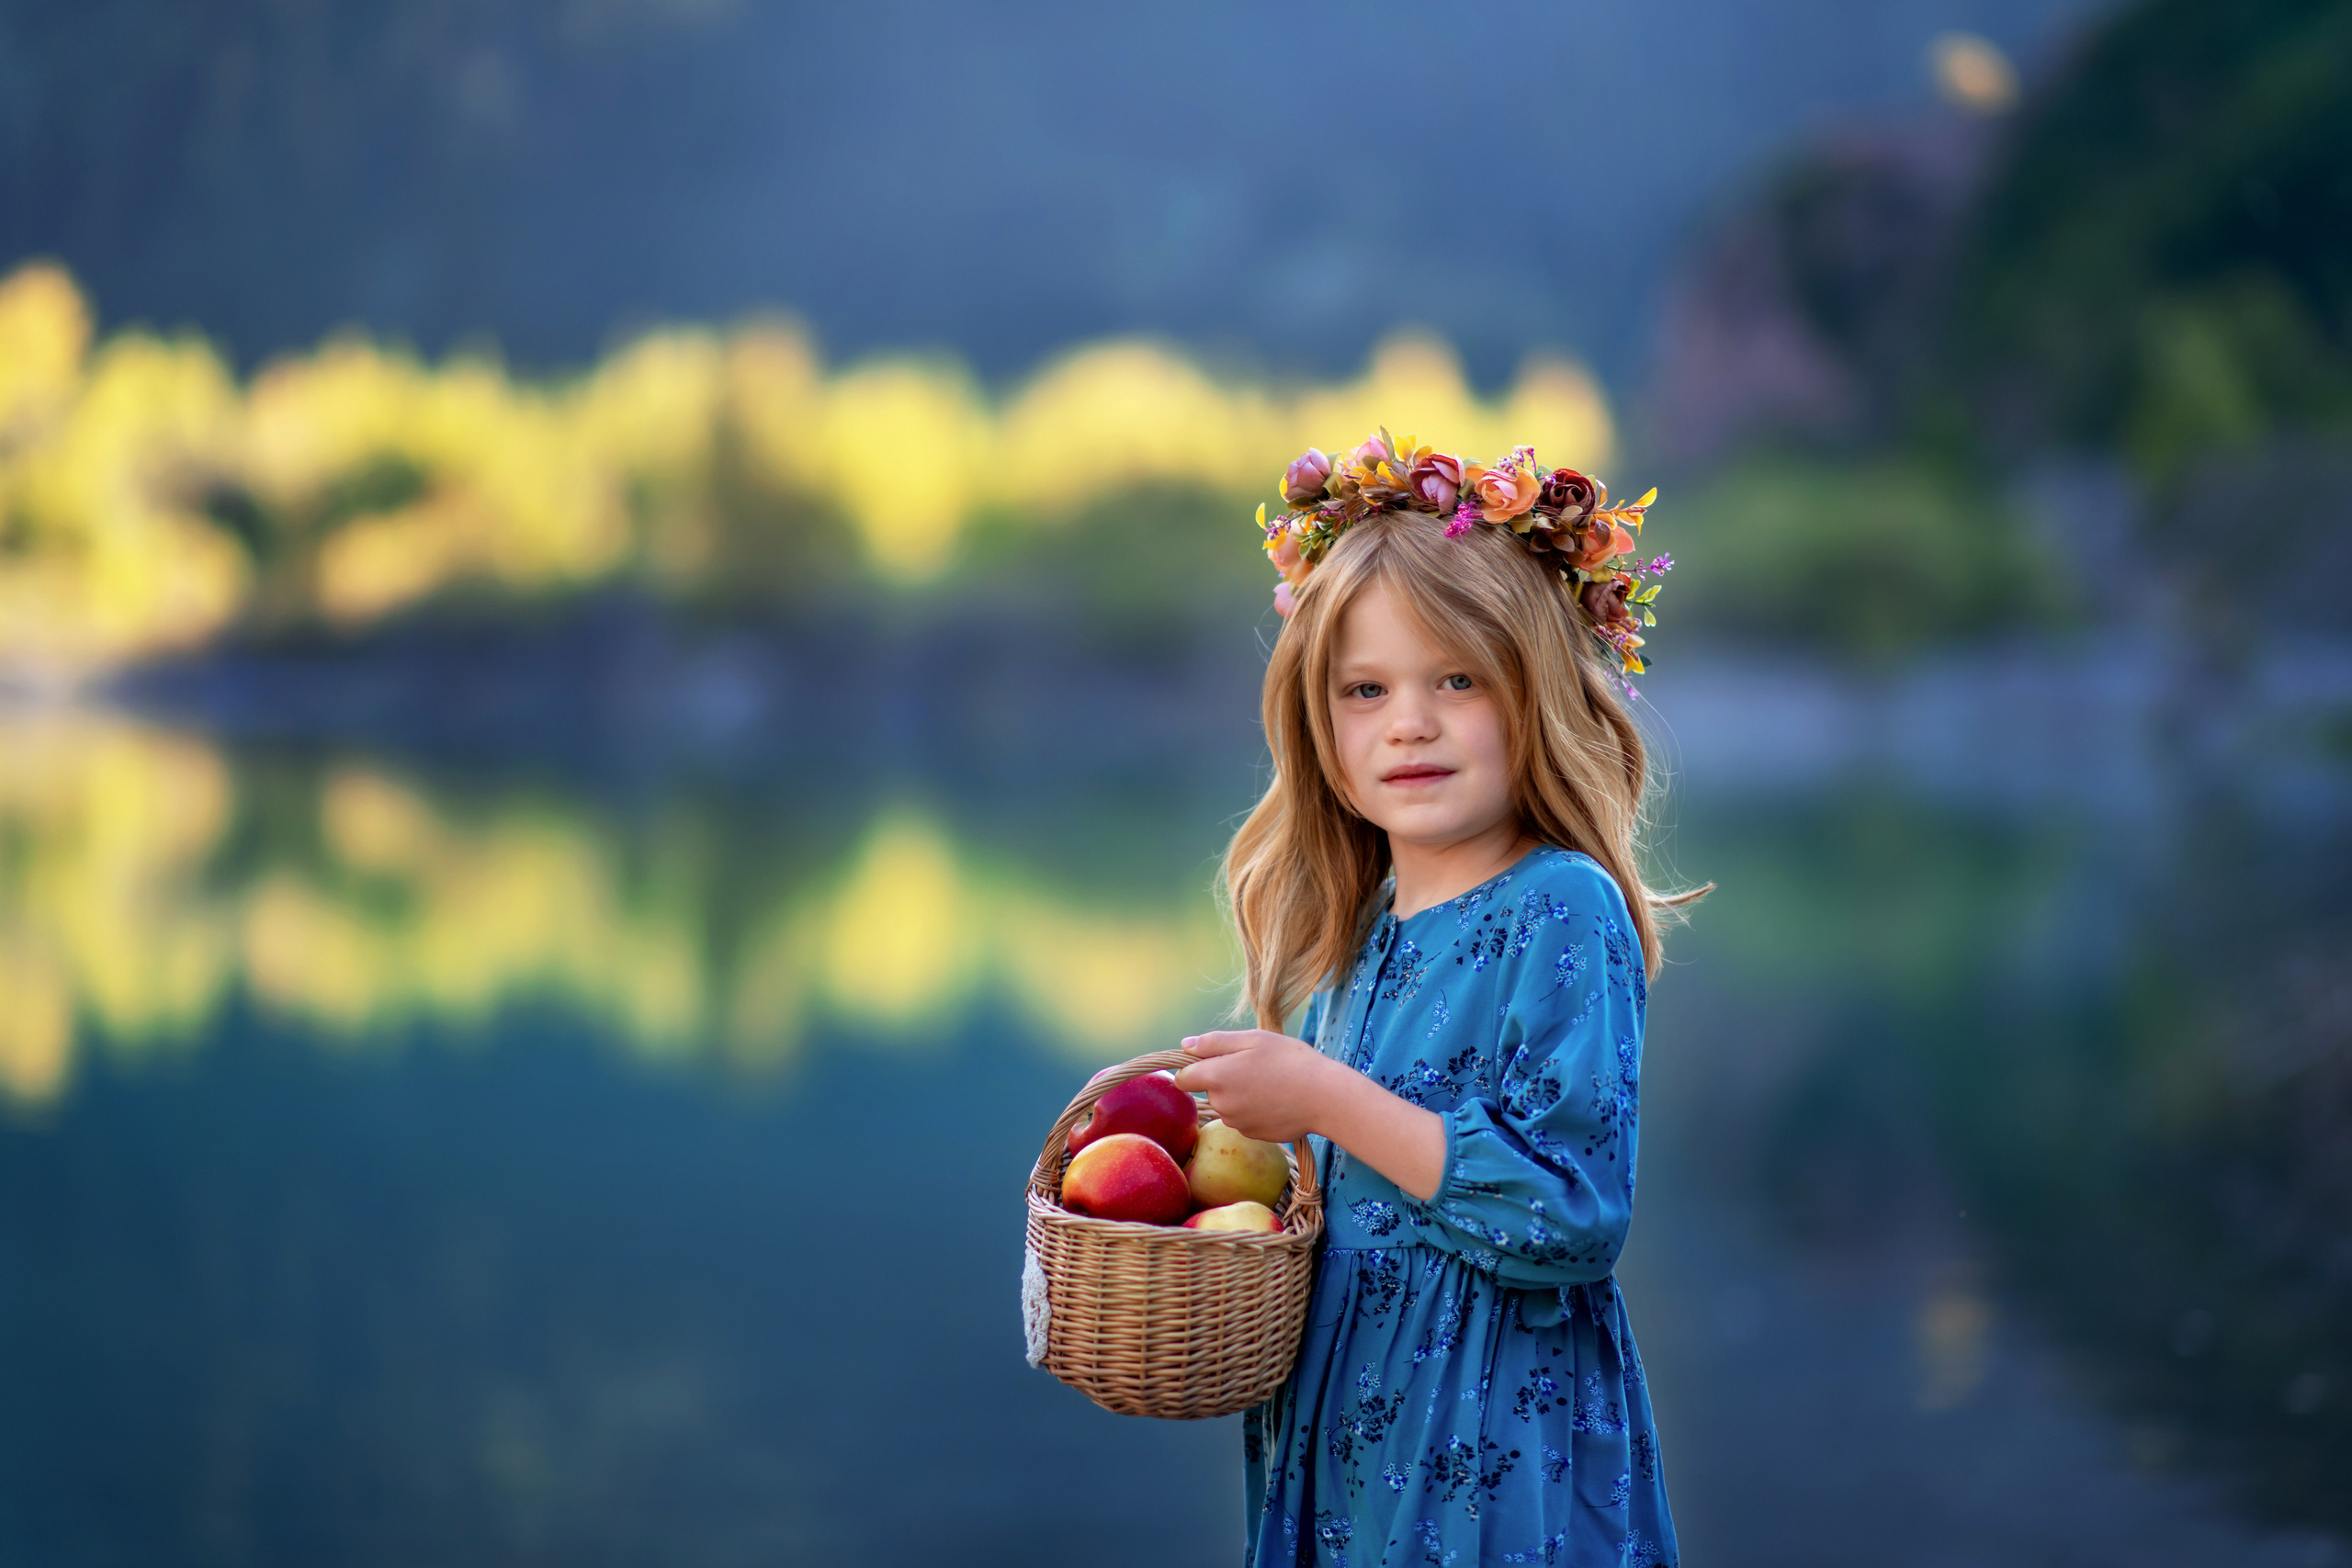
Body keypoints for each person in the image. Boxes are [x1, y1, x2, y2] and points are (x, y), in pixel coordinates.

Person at [1173, 432, 1701, 1567]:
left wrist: (1318, 1092)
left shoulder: (1559, 906)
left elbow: (1569, 1216)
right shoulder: (1360, 937)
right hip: (1359, 1419)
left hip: (1495, 1435)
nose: (1406, 722)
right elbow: (1354, 1197)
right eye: (1364, 691)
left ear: (1536, 694)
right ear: (1322, 728)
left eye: (1454, 680)